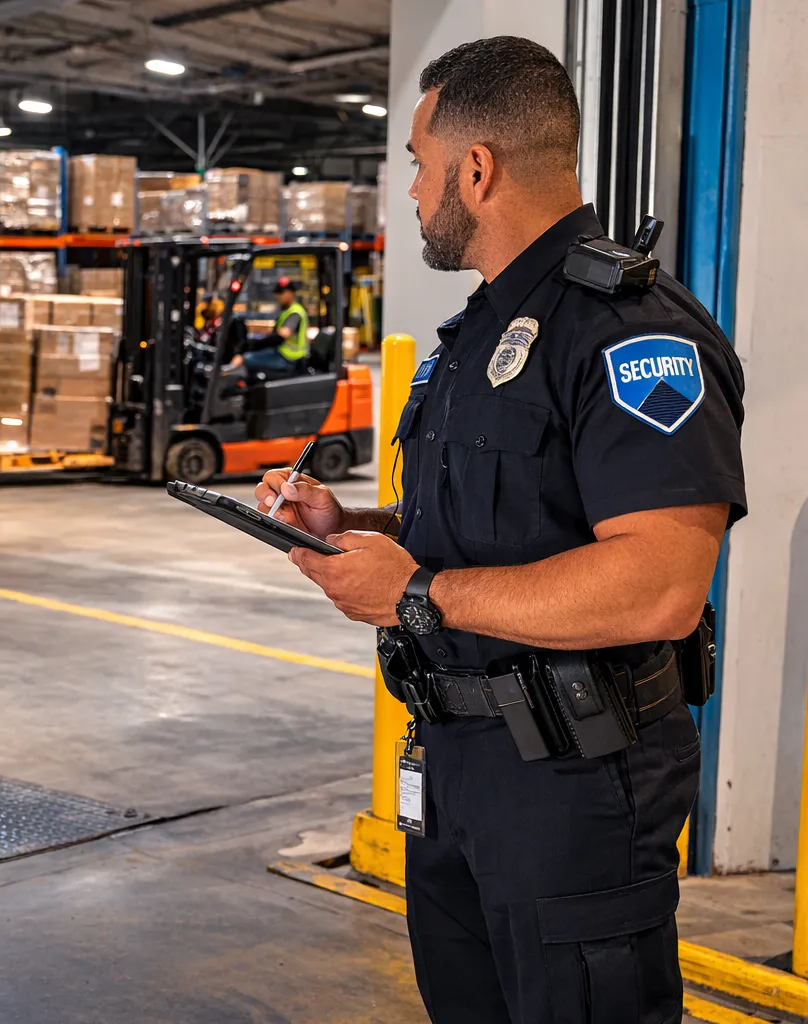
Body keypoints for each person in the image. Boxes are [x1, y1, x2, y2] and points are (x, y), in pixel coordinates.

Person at [255, 36, 746, 1024]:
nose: (412, 190)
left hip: (576, 785)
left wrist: (412, 593)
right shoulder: (475, 339)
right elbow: (492, 527)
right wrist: (354, 526)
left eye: (416, 164)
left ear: (475, 169)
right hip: (461, 768)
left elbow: (658, 583)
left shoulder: (631, 333)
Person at [229, 277, 309, 376]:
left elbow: (280, 337)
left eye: (281, 293)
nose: (278, 296)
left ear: (291, 293)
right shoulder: (287, 311)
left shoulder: (295, 312)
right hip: (282, 354)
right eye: (277, 293)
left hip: (290, 359)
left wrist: (253, 344)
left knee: (246, 359)